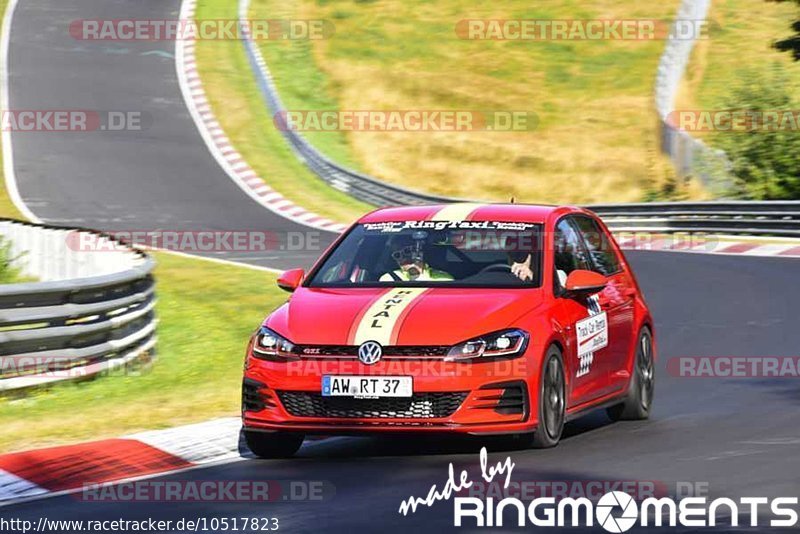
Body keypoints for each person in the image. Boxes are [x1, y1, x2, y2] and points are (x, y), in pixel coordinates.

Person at [380, 232, 453, 282]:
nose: (403, 257)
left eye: (407, 251)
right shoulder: (388, 279)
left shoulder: (442, 278)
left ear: (419, 251)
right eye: (397, 255)